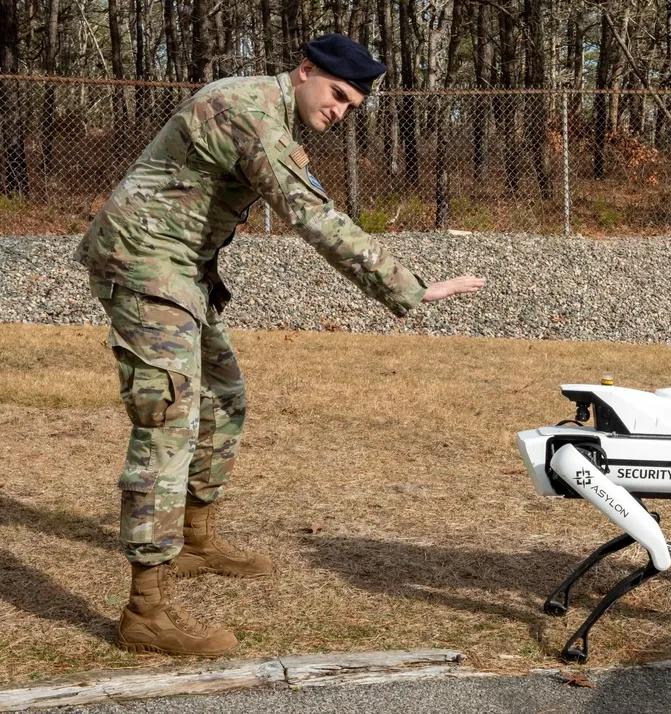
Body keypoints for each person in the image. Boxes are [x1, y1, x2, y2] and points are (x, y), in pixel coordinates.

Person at [75, 33, 485, 657]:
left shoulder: (272, 111)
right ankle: (144, 611)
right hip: (143, 261)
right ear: (303, 73)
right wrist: (410, 291)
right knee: (167, 419)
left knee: (226, 397)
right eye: (337, 94)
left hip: (183, 267)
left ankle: (195, 539)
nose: (340, 111)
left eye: (352, 105)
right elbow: (313, 216)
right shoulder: (250, 112)